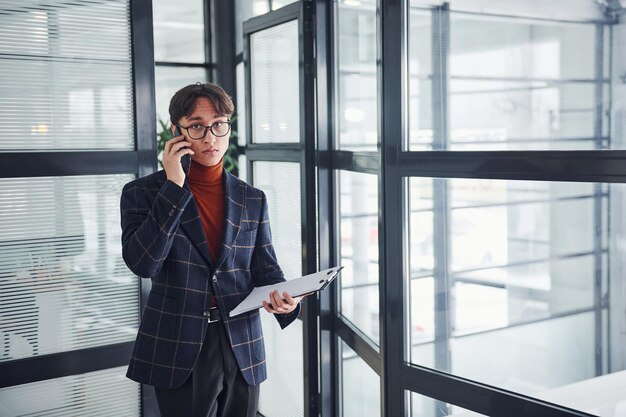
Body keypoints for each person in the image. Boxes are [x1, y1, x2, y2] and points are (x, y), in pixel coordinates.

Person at [120, 82, 302, 417]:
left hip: (242, 342)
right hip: (180, 345)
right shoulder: (142, 193)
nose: (210, 137)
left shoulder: (251, 198)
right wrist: (174, 187)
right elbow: (144, 263)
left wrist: (286, 301)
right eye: (197, 126)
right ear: (177, 132)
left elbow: (265, 268)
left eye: (219, 124)